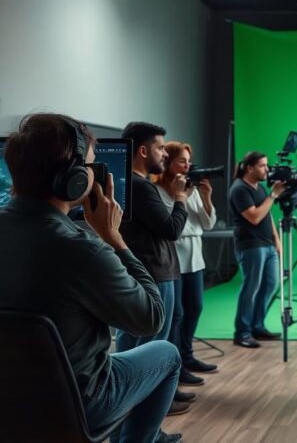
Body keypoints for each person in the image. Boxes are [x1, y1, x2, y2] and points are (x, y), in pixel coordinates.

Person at [0, 114, 181, 443]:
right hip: (74, 404)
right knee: (167, 353)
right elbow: (151, 318)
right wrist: (114, 238)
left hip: (7, 400)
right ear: (72, 179)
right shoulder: (83, 251)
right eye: (91, 166)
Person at [117, 122, 191, 415]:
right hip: (155, 275)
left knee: (129, 346)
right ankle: (148, 424)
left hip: (136, 272)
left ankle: (131, 416)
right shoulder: (142, 186)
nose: (164, 153)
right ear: (144, 150)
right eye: (161, 147)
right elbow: (172, 229)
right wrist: (180, 197)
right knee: (152, 351)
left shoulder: (122, 182)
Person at [156, 141, 218, 386]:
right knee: (177, 314)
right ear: (168, 163)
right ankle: (176, 365)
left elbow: (207, 223)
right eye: (182, 161)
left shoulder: (189, 188)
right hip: (174, 258)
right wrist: (184, 194)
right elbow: (171, 224)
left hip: (195, 258)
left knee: (196, 307)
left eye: (188, 161)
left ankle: (188, 355)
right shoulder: (160, 190)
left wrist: (206, 197)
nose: (187, 165)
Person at [229, 151, 285, 348]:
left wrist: (276, 239)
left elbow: (267, 215)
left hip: (267, 245)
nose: (267, 169)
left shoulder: (259, 188)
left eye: (266, 165)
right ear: (249, 168)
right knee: (250, 289)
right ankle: (242, 333)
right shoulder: (239, 190)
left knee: (271, 284)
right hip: (251, 246)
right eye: (262, 166)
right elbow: (254, 216)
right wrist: (274, 195)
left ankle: (257, 326)